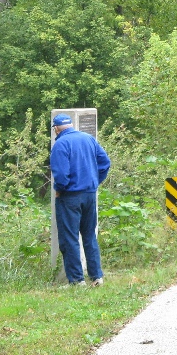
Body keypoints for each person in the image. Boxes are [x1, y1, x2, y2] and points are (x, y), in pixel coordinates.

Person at [50, 113, 111, 287]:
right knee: (89, 235)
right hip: (90, 195)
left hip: (70, 197)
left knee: (69, 238)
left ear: (56, 128)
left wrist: (60, 190)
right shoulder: (88, 139)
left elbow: (61, 175)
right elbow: (105, 162)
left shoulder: (60, 144)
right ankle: (96, 277)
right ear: (70, 125)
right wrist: (94, 181)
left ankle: (76, 281)